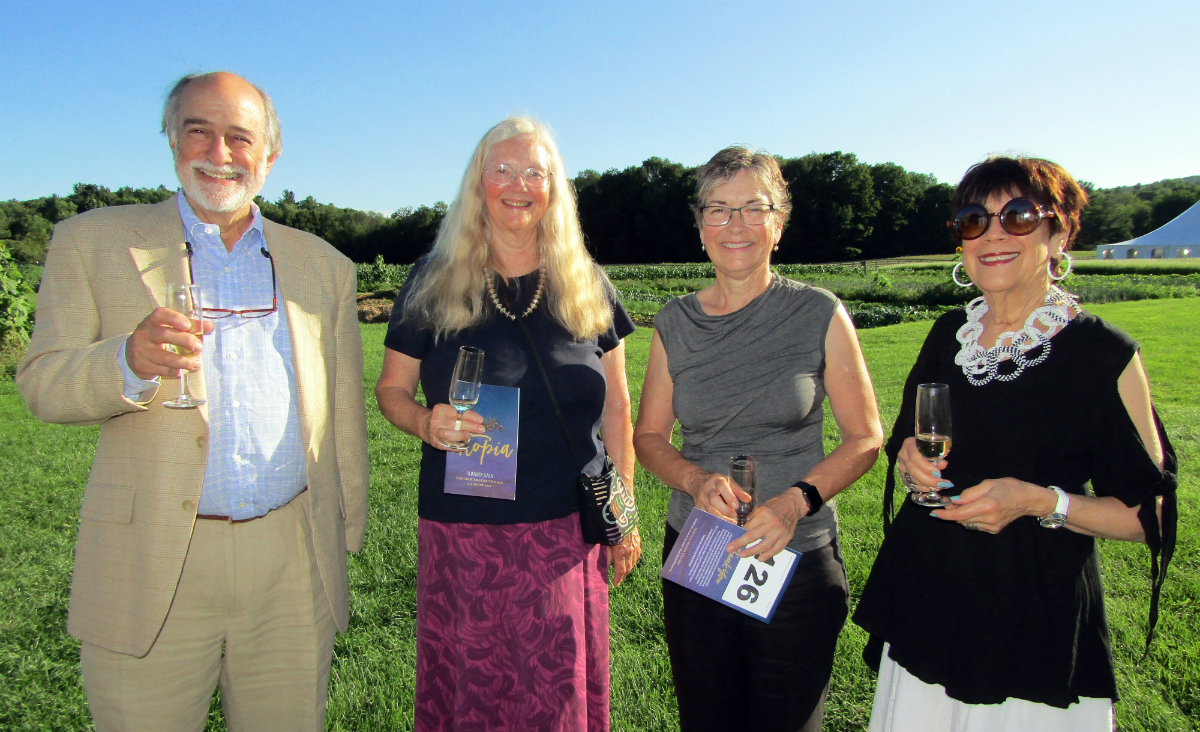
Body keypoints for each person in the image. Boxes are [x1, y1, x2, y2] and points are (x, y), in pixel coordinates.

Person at [16, 72, 369, 731]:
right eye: (198, 130)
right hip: (153, 557)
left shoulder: (324, 265)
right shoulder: (93, 241)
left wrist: (346, 531)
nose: (220, 151)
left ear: (271, 152)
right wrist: (126, 359)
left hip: (292, 557)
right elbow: (42, 381)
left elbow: (343, 411)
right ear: (171, 139)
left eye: (241, 136)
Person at [852, 156, 1178, 731]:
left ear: (1060, 234)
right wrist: (908, 462)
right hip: (930, 601)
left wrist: (1039, 502)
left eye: (1021, 217)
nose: (995, 234)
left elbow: (1148, 514)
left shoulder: (1102, 355)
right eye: (975, 219)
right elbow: (909, 442)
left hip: (1031, 618)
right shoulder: (948, 333)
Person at [374, 116, 641, 731]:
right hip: (467, 533)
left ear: (554, 188)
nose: (518, 184)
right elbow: (390, 391)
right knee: (475, 695)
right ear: (478, 183)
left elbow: (618, 407)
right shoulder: (433, 280)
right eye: (502, 169)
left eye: (534, 172)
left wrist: (622, 517)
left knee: (556, 702)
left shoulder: (587, 285)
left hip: (566, 530)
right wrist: (423, 420)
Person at [633, 146, 884, 732]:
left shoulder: (818, 312)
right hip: (698, 555)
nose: (735, 225)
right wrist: (693, 479)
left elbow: (865, 436)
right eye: (718, 210)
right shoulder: (675, 322)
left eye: (753, 207)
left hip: (795, 559)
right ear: (700, 227)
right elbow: (648, 435)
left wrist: (796, 502)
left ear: (779, 222)